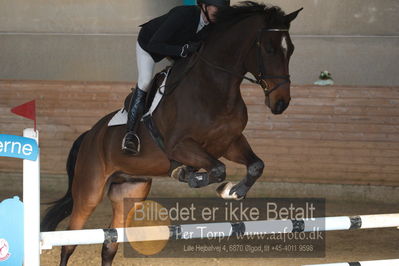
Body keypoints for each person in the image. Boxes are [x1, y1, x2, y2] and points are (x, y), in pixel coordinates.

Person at [122, 0, 230, 155]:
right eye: (217, 8)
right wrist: (182, 50)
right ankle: (130, 134)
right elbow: (155, 44)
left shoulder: (213, 25)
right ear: (204, 6)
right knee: (145, 81)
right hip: (149, 44)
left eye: (222, 9)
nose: (219, 12)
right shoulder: (182, 14)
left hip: (176, 48)